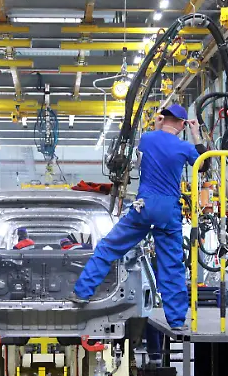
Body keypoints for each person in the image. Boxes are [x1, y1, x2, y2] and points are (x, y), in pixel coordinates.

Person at [68, 104, 205, 330]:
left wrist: (157, 127)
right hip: (168, 209)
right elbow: (204, 165)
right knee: (171, 265)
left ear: (163, 119)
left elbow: (147, 147)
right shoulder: (184, 147)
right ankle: (176, 321)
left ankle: (82, 292)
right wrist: (196, 134)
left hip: (144, 206)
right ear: (182, 124)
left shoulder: (147, 139)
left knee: (109, 248)